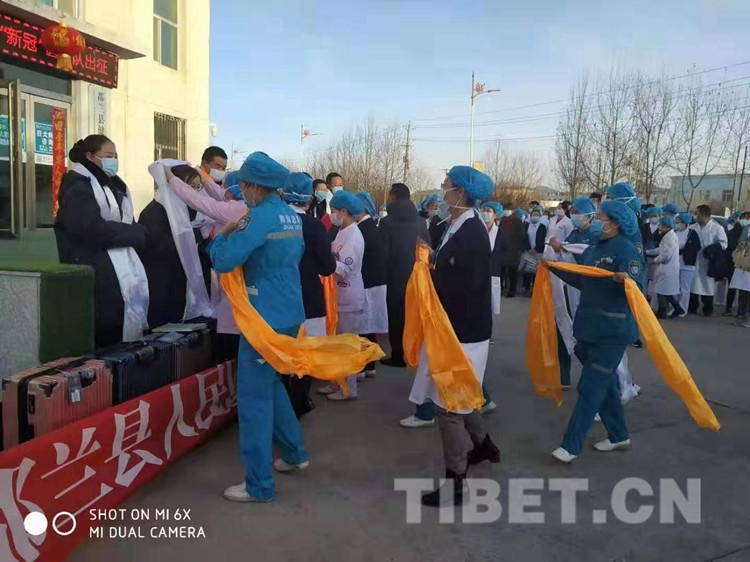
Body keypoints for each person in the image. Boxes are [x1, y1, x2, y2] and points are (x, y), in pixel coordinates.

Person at [209, 152, 308, 503]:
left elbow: (224, 260)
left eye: (243, 185)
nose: (242, 191)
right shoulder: (290, 215)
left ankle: (259, 485)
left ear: (252, 185)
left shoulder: (257, 218)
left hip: (262, 318)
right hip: (289, 310)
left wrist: (222, 236)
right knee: (272, 383)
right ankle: (294, 453)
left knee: (253, 399)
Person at [412, 166, 499, 507]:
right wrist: (431, 258)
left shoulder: (472, 233)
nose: (442, 189)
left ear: (460, 191)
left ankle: (456, 481)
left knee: (448, 406)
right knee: (464, 394)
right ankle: (483, 445)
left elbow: (465, 284)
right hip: (454, 327)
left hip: (463, 330)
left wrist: (428, 273)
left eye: (446, 185)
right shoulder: (457, 224)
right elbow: (450, 265)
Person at [549, 200, 643, 463]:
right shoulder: (594, 247)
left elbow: (637, 287)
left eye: (600, 218)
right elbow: (584, 279)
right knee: (606, 385)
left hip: (613, 331)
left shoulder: (626, 249)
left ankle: (571, 445)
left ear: (615, 223)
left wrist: (626, 281)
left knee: (590, 386)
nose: (595, 221)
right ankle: (619, 435)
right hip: (589, 328)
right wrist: (553, 268)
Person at [54, 135, 148, 347]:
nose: (113, 161)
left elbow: (125, 222)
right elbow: (92, 230)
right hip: (94, 273)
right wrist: (135, 233)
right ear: (90, 156)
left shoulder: (114, 186)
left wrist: (135, 232)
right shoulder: (78, 187)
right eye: (108, 156)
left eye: (115, 156)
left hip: (116, 273)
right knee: (104, 338)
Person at [162, 168, 246, 362]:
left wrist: (172, 178)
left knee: (230, 325)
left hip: (231, 277)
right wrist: (203, 175)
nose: (221, 189)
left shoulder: (232, 210)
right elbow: (218, 196)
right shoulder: (245, 207)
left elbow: (197, 200)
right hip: (237, 278)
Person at [281, 172, 337, 417]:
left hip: (276, 299)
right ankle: (299, 402)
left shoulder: (271, 222)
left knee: (281, 353)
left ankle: (282, 402)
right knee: (305, 354)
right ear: (310, 198)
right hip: (308, 298)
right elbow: (327, 267)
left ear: (283, 194)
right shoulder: (314, 226)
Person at [138, 165, 211, 329]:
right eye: (190, 186)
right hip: (162, 281)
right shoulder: (155, 211)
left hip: (180, 280)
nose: (194, 192)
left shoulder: (188, 209)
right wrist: (196, 235)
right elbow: (159, 245)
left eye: (197, 187)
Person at [317, 190, 366, 401]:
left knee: (347, 346)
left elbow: (345, 267)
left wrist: (324, 262)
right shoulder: (341, 232)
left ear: (344, 211)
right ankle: (335, 382)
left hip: (349, 297)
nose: (332, 215)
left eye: (334, 211)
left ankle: (349, 389)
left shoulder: (354, 236)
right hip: (337, 295)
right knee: (336, 344)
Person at [548, 197, 601, 389]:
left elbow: (590, 256)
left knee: (586, 335)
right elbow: (566, 255)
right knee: (563, 328)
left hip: (587, 291)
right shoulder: (574, 233)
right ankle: (564, 374)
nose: (575, 216)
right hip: (569, 288)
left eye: (579, 213)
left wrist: (563, 247)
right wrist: (557, 248)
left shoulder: (596, 235)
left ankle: (597, 375)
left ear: (590, 215)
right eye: (574, 212)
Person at [379, 183, 430, 368]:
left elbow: (383, 252)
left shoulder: (387, 222)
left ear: (393, 197)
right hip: (417, 274)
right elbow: (426, 247)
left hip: (395, 276)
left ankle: (398, 355)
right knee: (415, 315)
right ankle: (416, 353)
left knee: (396, 316)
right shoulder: (421, 222)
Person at [354, 190, 388, 379]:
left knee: (362, 327)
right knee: (369, 325)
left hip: (366, 283)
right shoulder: (372, 227)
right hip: (375, 282)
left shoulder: (362, 229)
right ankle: (370, 365)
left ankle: (363, 366)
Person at [689, 205, 728, 317]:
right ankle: (692, 307)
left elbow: (724, 243)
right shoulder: (692, 227)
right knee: (693, 284)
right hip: (695, 259)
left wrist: (713, 248)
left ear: (704, 215)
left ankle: (707, 308)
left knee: (707, 286)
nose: (695, 216)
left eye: (697, 214)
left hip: (709, 260)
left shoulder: (717, 228)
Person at [649, 216, 683, 319]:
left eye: (661, 225)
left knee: (662, 291)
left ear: (666, 226)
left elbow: (666, 254)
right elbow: (661, 249)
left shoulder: (670, 237)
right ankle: (677, 309)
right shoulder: (668, 236)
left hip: (667, 267)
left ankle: (663, 312)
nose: (659, 227)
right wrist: (648, 252)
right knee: (665, 291)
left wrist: (654, 260)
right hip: (667, 267)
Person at [675, 213, 701, 317]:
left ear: (684, 223)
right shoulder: (674, 232)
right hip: (675, 263)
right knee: (675, 287)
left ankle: (682, 308)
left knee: (684, 288)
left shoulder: (692, 233)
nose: (677, 224)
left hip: (687, 264)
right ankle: (674, 307)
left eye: (678, 222)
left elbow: (696, 247)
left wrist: (683, 249)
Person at [729, 211, 750, 327]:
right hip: (743, 263)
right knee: (742, 291)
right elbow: (740, 244)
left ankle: (747, 317)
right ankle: (741, 315)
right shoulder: (746, 228)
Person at [723, 212, 745, 317]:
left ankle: (738, 310)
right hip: (734, 261)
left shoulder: (741, 230)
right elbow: (729, 244)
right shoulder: (736, 230)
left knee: (740, 287)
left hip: (741, 262)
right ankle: (731, 308)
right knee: (734, 286)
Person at [522, 206, 547, 295]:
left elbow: (543, 240)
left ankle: (535, 289)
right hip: (528, 252)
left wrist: (536, 249)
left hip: (538, 252)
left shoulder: (542, 227)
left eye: (537, 215)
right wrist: (529, 248)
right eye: (533, 215)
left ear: (540, 217)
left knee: (536, 272)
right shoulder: (526, 226)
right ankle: (526, 288)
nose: (534, 217)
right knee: (527, 271)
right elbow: (524, 238)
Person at [500, 208, 524, 297]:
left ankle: (512, 291)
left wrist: (519, 248)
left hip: (514, 249)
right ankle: (500, 289)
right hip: (502, 250)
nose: (506, 211)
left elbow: (522, 235)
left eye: (508, 209)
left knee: (512, 272)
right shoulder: (502, 220)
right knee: (501, 272)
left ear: (512, 210)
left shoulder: (517, 221)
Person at [642, 206, 663, 302]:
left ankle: (653, 301)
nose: (652, 217)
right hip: (645, 257)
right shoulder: (645, 227)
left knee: (655, 279)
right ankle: (643, 298)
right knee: (644, 279)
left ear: (659, 215)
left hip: (657, 257)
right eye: (650, 216)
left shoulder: (662, 227)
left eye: (654, 215)